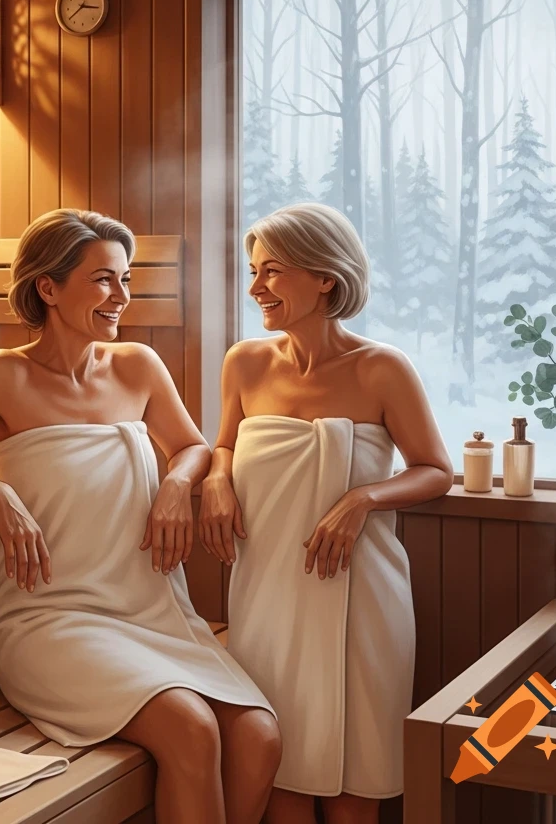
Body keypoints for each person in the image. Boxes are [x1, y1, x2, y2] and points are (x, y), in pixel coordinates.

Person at [0, 209, 281, 824]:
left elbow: (195, 446)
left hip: (148, 613)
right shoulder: (2, 376)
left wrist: (178, 480)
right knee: (192, 729)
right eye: (103, 280)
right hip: (53, 621)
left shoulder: (137, 367)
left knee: (258, 737)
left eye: (125, 280)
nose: (121, 297)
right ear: (48, 288)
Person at [199, 202, 451, 824]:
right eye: (253, 271)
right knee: (282, 774)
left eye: (272, 272)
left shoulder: (381, 368)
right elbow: (225, 441)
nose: (255, 287)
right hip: (267, 593)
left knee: (352, 790)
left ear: (325, 280)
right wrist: (217, 477)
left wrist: (363, 498)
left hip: (362, 593)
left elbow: (435, 470)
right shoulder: (245, 362)